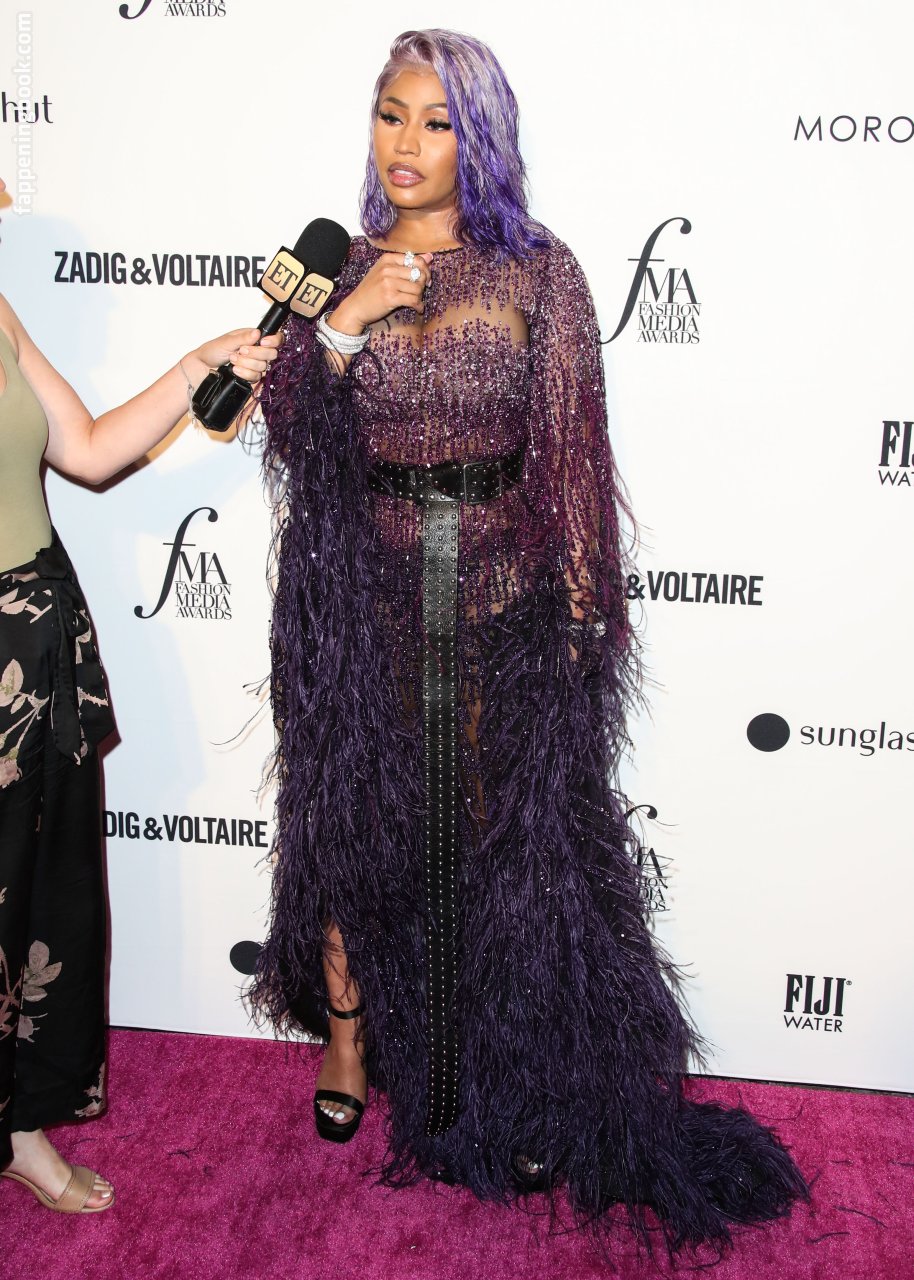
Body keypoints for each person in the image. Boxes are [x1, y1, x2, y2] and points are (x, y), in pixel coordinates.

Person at [251, 29, 806, 1252]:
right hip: (363, 598)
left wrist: (580, 602)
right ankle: (346, 1037)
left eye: (435, 121)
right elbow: (280, 425)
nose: (404, 144)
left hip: (501, 596)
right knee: (354, 818)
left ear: (480, 139)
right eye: (389, 114)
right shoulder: (334, 267)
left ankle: (509, 1067)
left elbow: (569, 443)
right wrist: (346, 323)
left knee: (506, 842)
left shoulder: (536, 270)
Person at [0, 171, 280, 1213]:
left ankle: (15, 1126)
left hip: (35, 645)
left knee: (36, 901)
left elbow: (85, 451)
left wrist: (190, 369)